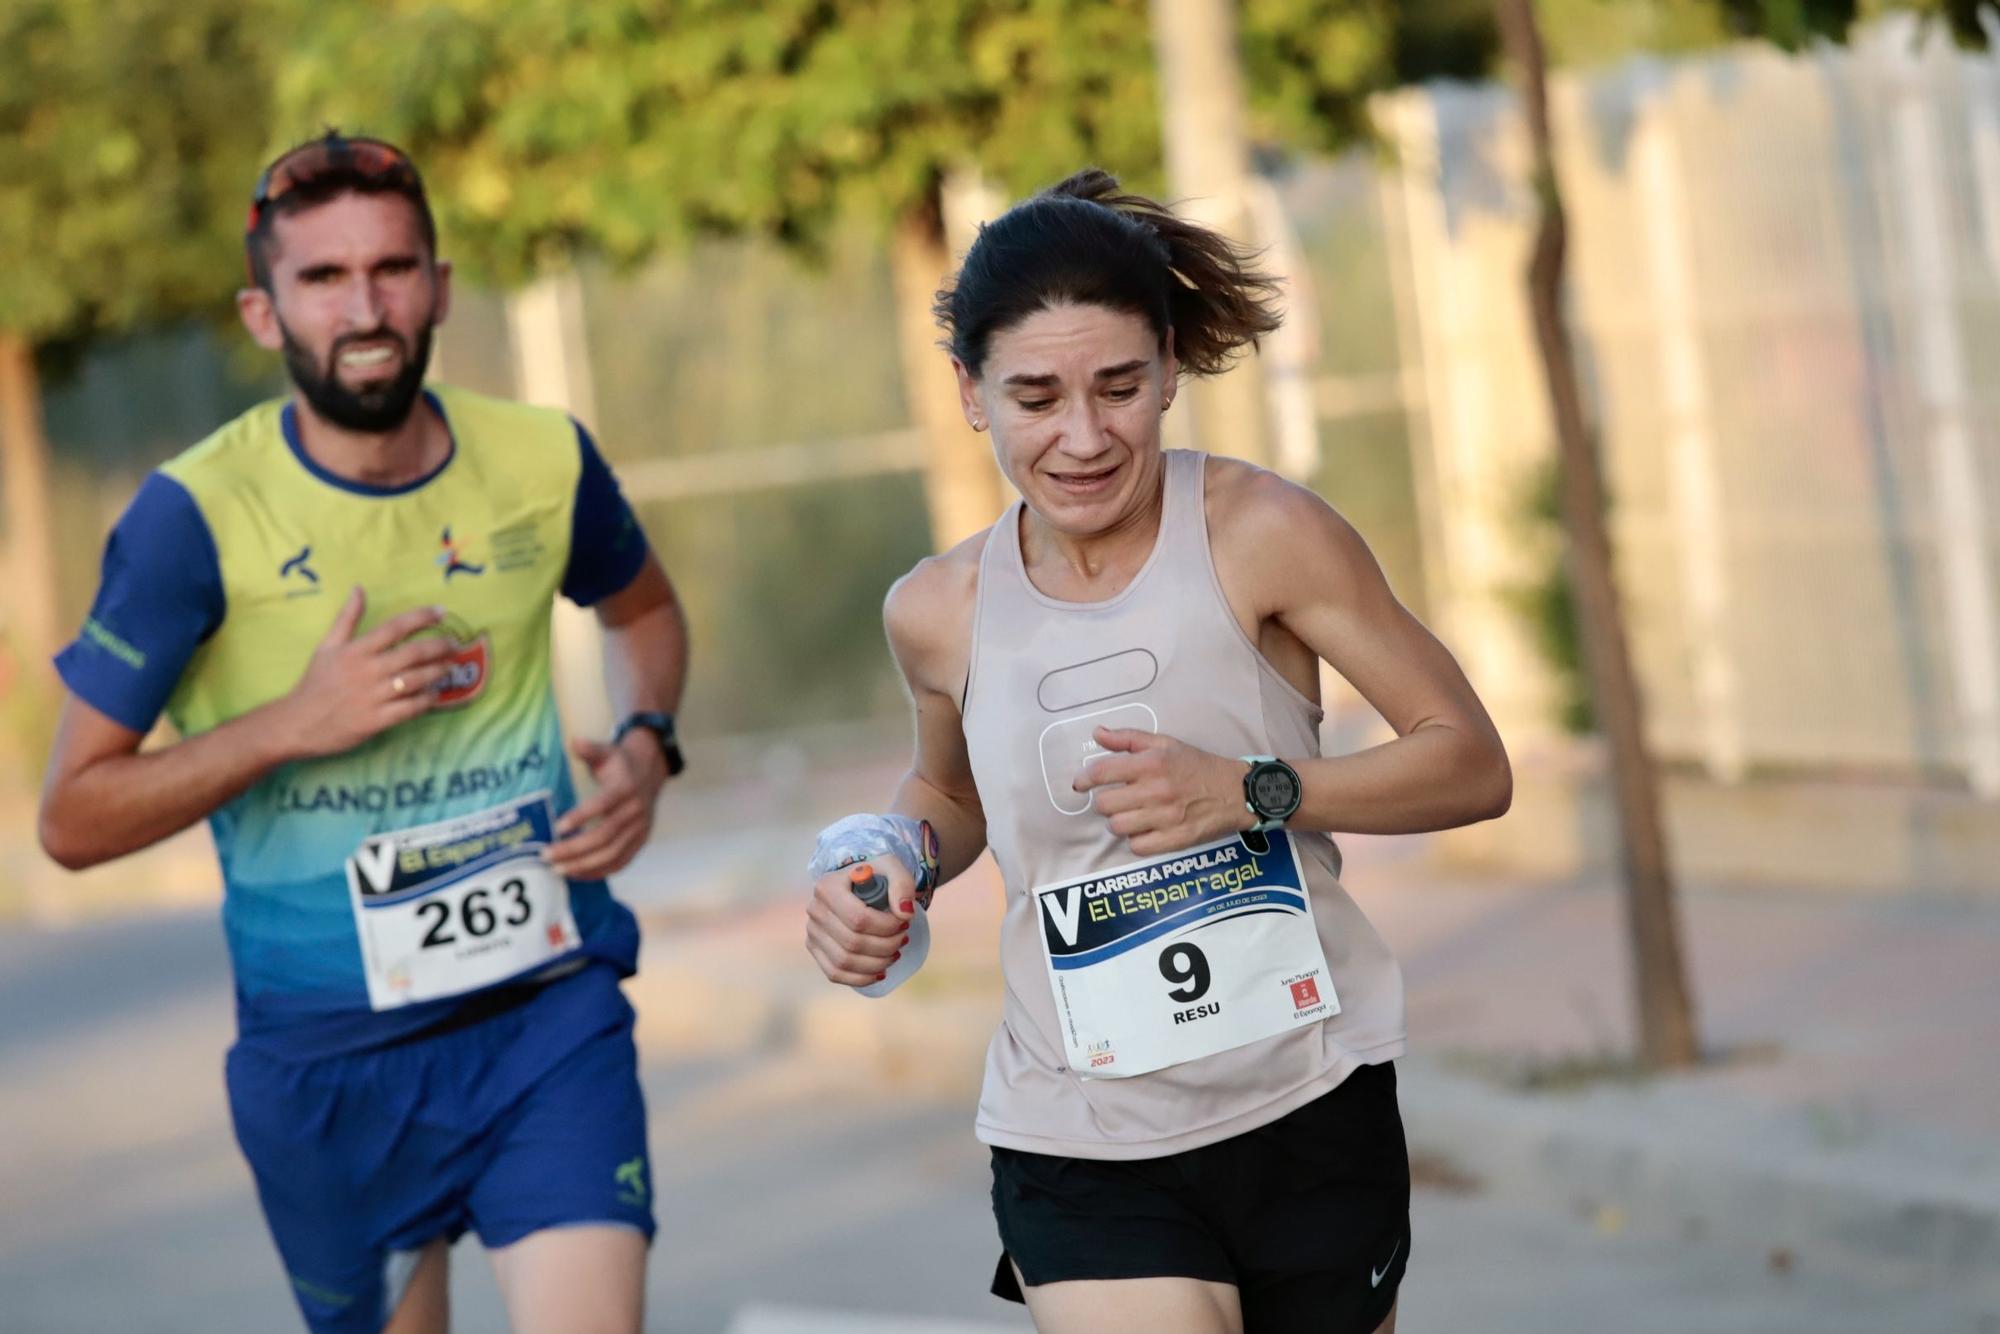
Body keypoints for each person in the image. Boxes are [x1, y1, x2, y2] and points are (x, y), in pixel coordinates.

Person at [803, 169, 1512, 1334]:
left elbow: (1468, 761)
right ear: (969, 394)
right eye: (1033, 396)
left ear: (1170, 367)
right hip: (1077, 1125)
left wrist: (1248, 791)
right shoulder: (935, 608)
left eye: (1118, 387)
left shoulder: (1261, 533)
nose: (1081, 438)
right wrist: (889, 859)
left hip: (1304, 1095)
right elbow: (944, 788)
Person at [38, 132, 689, 1334]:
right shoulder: (193, 518)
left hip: (546, 1012)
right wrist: (291, 723)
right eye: (324, 278)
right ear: (261, 310)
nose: (366, 305)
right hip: (331, 1065)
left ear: (439, 284)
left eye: (392, 268)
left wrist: (646, 745)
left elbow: (643, 611)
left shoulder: (541, 457)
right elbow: (71, 816)